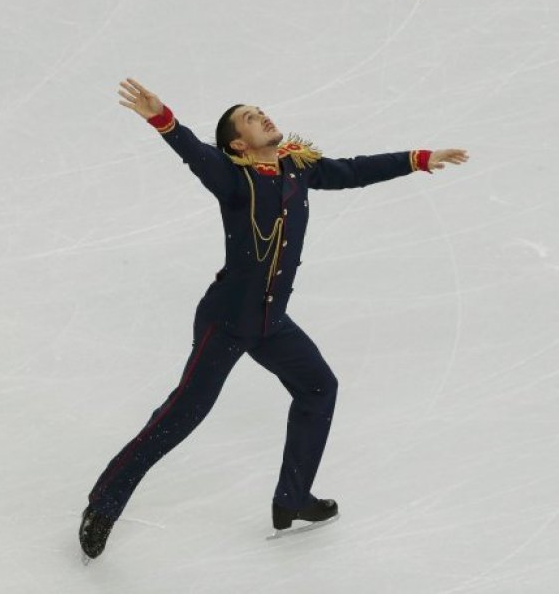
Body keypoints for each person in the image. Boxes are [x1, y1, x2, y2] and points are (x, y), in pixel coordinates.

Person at [79, 77, 469, 559]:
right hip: (226, 321)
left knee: (319, 386)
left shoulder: (296, 170)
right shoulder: (230, 177)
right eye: (249, 117)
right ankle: (103, 503)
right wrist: (163, 118)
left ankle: (292, 498)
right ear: (239, 144)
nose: (262, 116)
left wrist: (418, 159)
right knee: (180, 416)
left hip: (269, 322)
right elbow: (193, 152)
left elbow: (352, 170)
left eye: (260, 109)